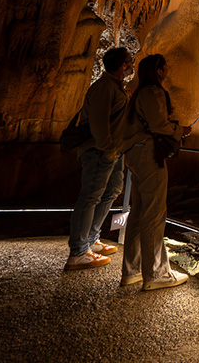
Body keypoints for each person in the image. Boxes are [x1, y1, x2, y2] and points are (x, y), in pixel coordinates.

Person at [120, 54, 192, 290]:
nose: (168, 70)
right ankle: (155, 274)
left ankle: (132, 270)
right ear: (159, 71)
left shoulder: (138, 94)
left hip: (134, 155)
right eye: (166, 67)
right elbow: (158, 124)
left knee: (139, 213)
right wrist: (179, 129)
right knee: (154, 214)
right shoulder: (152, 92)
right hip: (148, 155)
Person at [65, 47, 134, 270]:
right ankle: (77, 252)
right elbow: (98, 122)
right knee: (90, 197)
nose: (132, 65)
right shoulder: (104, 87)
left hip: (113, 150)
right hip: (99, 151)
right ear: (123, 64)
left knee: (112, 191)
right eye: (130, 62)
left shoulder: (115, 88)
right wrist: (108, 149)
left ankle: (91, 240)